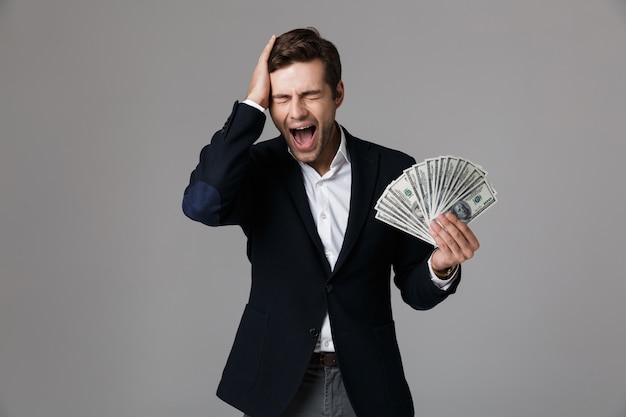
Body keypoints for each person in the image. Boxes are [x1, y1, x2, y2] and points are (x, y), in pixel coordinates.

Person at [182, 27, 480, 417]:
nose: (297, 111)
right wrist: (252, 104)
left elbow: (415, 289)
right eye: (282, 98)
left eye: (309, 95)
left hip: (367, 386)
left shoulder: (392, 170)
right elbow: (202, 203)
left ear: (337, 94)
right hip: (277, 384)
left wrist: (440, 268)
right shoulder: (256, 169)